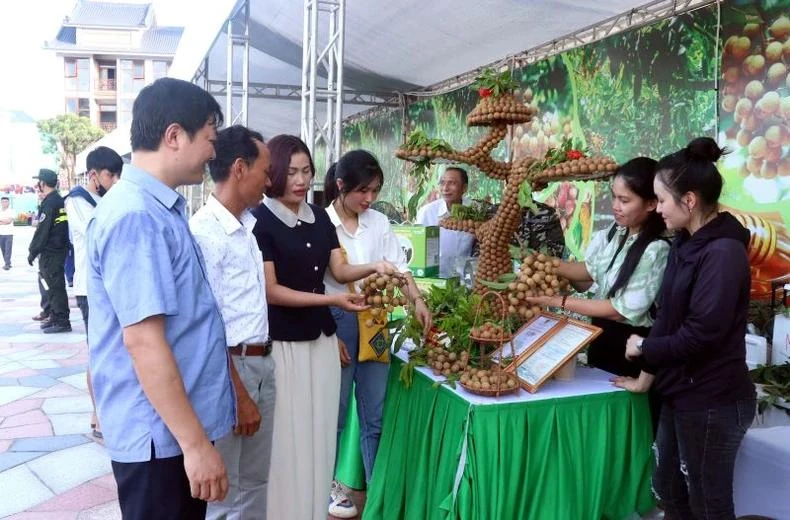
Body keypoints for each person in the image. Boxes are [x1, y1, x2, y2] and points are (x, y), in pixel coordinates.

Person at [85, 77, 235, 520]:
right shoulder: (135, 216)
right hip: (161, 439)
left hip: (169, 431)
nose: (213, 153)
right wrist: (194, 445)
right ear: (174, 136)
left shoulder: (156, 209)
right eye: (209, 139)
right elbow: (143, 342)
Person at [251, 135, 396, 520]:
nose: (300, 180)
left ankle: (314, 505)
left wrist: (375, 266)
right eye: (292, 171)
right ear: (272, 175)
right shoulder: (259, 222)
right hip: (284, 343)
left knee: (320, 429)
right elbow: (273, 292)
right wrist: (331, 301)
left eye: (307, 171)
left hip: (322, 338)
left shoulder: (317, 218)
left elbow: (339, 271)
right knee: (290, 434)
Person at [617, 138, 756, 518]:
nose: (657, 208)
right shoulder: (685, 242)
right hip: (680, 392)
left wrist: (646, 349)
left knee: (708, 504)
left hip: (714, 400)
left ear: (689, 201)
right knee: (668, 489)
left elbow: (701, 333)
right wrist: (647, 375)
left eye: (661, 200)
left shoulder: (723, 253)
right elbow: (668, 316)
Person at [324, 151, 432, 518]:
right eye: (362, 192)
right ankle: (328, 487)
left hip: (375, 322)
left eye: (374, 191)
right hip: (337, 321)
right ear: (341, 186)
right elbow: (333, 277)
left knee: (375, 412)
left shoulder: (380, 222)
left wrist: (415, 300)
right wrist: (329, 332)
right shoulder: (323, 224)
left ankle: (377, 486)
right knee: (334, 415)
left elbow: (399, 270)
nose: (368, 199)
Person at [189, 125, 275, 520]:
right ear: (240, 168)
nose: (269, 181)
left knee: (255, 482)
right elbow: (208, 326)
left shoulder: (247, 229)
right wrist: (238, 394)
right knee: (224, 493)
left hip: (257, 363)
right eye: (265, 171)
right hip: (229, 370)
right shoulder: (205, 233)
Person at [526, 157, 670, 381]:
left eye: (624, 200)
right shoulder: (618, 231)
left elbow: (618, 310)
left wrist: (554, 301)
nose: (615, 206)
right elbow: (590, 271)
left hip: (632, 350)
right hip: (602, 337)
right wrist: (545, 263)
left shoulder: (657, 249)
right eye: (614, 197)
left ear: (651, 203)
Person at [65, 146, 123, 440]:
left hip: (108, 285)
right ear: (93, 175)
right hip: (89, 288)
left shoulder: (104, 199)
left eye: (117, 175)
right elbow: (97, 229)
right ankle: (98, 414)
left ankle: (107, 411)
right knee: (98, 351)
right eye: (110, 175)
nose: (114, 180)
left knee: (111, 349)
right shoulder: (76, 200)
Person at [28, 168, 71, 333]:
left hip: (52, 252)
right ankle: (54, 314)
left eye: (39, 182)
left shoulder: (50, 203)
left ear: (43, 183)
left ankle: (61, 320)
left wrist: (32, 251)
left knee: (55, 286)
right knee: (51, 285)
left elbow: (42, 231)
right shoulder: (57, 200)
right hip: (56, 250)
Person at [416, 166, 476, 278]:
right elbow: (417, 251)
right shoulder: (427, 213)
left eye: (452, 183)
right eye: (442, 183)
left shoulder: (474, 211)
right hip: (435, 279)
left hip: (465, 281)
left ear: (464, 188)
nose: (445, 188)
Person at [0, 196, 14, 270]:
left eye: (6, 201)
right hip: (0, 233)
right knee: (3, 250)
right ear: (1, 202)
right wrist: (4, 221)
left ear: (8, 202)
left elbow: (9, 221)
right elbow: (6, 221)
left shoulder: (11, 211)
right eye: (3, 201)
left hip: (9, 233)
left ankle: (7, 264)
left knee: (8, 249)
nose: (4, 203)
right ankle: (7, 262)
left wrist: (1, 221)